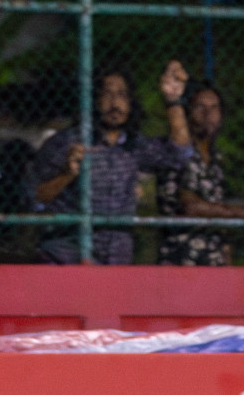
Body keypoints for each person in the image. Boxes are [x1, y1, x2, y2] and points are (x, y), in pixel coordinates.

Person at [28, 62, 192, 265]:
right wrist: (66, 175)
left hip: (115, 260)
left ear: (131, 103)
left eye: (122, 95)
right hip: (66, 258)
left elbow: (179, 154)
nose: (115, 103)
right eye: (106, 94)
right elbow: (33, 198)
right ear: (93, 100)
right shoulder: (65, 142)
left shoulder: (133, 145)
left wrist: (173, 100)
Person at [155, 82, 244, 267]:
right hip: (182, 260)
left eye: (214, 107)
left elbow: (217, 210)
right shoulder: (177, 153)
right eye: (200, 107)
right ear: (187, 112)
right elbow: (191, 206)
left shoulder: (215, 159)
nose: (208, 115)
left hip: (213, 261)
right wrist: (242, 212)